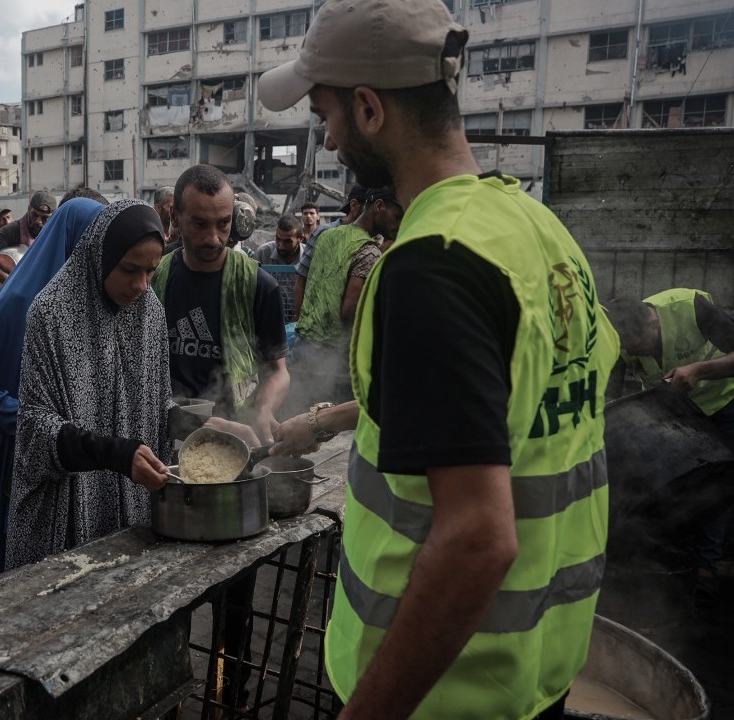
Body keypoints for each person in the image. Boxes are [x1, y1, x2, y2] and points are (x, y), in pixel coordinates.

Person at [255, 1, 617, 718]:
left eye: (325, 115)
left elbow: (478, 539)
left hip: (443, 694)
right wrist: (327, 421)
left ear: (367, 108)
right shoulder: (538, 231)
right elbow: (495, 406)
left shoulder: (433, 265)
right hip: (532, 671)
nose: (327, 142)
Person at [0, 197, 104, 580]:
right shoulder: (21, 301)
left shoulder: (83, 303)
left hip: (59, 459)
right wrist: (22, 417)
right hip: (13, 460)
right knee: (3, 581)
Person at [5, 199, 172, 570]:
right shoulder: (52, 314)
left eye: (151, 271)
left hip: (130, 506)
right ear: (100, 255)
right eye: (129, 269)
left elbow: (159, 405)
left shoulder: (150, 312)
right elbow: (34, 429)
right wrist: (111, 452)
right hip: (64, 510)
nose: (141, 285)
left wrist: (205, 425)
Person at [606, 289, 734, 606]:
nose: (635, 353)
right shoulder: (621, 339)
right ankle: (673, 566)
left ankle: (707, 570)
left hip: (723, 404)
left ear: (652, 323)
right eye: (629, 349)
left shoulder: (689, 307)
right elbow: (610, 392)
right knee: (671, 488)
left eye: (640, 345)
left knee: (716, 484)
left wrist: (698, 369)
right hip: (675, 415)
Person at [152, 165, 289, 443]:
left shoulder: (258, 286)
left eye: (223, 223)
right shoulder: (154, 278)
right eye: (200, 224)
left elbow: (278, 371)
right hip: (165, 430)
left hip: (237, 434)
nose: (213, 238)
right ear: (176, 217)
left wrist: (264, 409)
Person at [291, 186, 403, 404]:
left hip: (303, 346)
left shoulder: (326, 236)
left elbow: (304, 284)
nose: (398, 224)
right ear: (378, 206)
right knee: (328, 427)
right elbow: (350, 311)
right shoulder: (369, 251)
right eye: (396, 215)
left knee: (297, 417)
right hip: (332, 360)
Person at [0, 190, 56, 286]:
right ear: (29, 209)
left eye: (44, 218)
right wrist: (9, 280)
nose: (38, 221)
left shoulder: (55, 232)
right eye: (35, 215)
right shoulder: (13, 229)